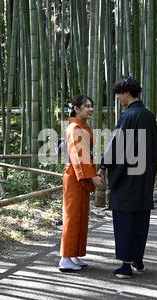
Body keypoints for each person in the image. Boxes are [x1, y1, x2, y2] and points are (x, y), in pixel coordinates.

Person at [98, 76, 157, 279]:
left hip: (127, 179)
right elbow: (154, 150)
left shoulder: (129, 116)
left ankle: (125, 266)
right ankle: (138, 261)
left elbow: (116, 144)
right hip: (144, 178)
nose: (117, 98)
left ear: (125, 93)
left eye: (118, 93)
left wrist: (103, 165)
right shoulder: (149, 116)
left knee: (125, 221)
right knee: (141, 220)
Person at [59, 95, 104, 272]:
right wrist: (92, 176)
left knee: (81, 215)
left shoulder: (81, 126)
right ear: (76, 109)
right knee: (72, 216)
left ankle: (74, 254)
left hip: (79, 174)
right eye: (87, 106)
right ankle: (65, 258)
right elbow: (80, 155)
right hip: (74, 175)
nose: (90, 109)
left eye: (91, 106)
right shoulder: (75, 127)